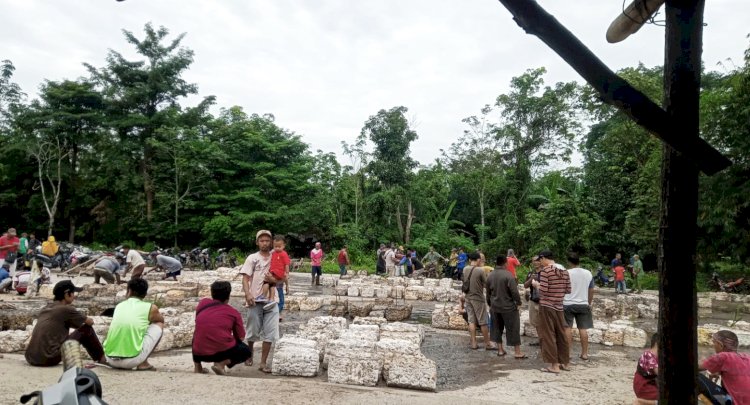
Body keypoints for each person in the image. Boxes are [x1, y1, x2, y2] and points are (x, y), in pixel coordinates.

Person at [25, 280, 106, 367]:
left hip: (30, 357)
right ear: (67, 294)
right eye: (73, 293)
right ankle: (101, 359)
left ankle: (100, 359)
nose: (74, 296)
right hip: (48, 358)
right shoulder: (66, 309)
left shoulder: (46, 308)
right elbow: (90, 322)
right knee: (87, 330)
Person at [240, 230, 280, 373]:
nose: (265, 243)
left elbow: (282, 277)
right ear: (257, 242)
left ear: (271, 242)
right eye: (262, 241)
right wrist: (247, 294)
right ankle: (249, 354)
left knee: (270, 332)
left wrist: (273, 280)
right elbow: (245, 278)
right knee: (252, 330)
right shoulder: (252, 258)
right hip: (254, 299)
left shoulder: (276, 257)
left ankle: (263, 362)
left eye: (267, 241)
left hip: (272, 300)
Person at [192, 281, 252, 375]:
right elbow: (240, 337)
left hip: (199, 353)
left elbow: (198, 322)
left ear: (212, 293)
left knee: (197, 334)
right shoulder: (233, 312)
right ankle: (220, 364)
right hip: (220, 354)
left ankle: (197, 367)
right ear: (228, 295)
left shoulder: (203, 303)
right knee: (246, 351)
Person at [103, 278, 164, 370]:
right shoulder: (150, 307)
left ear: (129, 291)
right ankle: (143, 363)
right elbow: (160, 320)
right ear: (145, 294)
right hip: (132, 361)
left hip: (110, 358)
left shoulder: (119, 306)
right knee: (159, 324)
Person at [535, 249, 571, 374]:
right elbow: (568, 290)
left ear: (544, 258)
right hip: (559, 307)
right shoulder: (565, 271)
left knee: (549, 335)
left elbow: (543, 290)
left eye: (540, 260)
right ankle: (565, 363)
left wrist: (536, 285)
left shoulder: (546, 271)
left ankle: (554, 366)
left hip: (547, 306)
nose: (540, 263)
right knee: (561, 334)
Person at [486, 255, 525, 359]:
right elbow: (514, 292)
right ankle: (517, 352)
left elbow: (488, 293)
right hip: (508, 307)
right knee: (513, 328)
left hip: (495, 306)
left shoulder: (490, 275)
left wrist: (490, 304)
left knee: (497, 328)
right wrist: (518, 302)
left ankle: (500, 350)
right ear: (505, 263)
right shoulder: (508, 275)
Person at [699, 330, 750, 404]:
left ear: (720, 345)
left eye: (714, 342)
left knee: (697, 377)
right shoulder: (747, 357)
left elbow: (696, 367)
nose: (713, 346)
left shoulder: (723, 356)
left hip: (734, 403)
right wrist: (719, 372)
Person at [562, 252, 594, 362]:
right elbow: (591, 290)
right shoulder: (588, 273)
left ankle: (568, 353)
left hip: (567, 304)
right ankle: (584, 353)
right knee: (583, 329)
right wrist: (589, 302)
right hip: (583, 304)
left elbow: (562, 288)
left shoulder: (566, 273)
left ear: (569, 262)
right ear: (579, 261)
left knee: (567, 328)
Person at [462, 251, 494, 350]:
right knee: (483, 321)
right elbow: (486, 284)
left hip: (468, 297)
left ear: (469, 260)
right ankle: (487, 343)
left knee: (471, 320)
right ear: (479, 260)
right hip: (478, 298)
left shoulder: (465, 268)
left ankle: (474, 343)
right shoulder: (480, 270)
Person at [259, 235, 290, 311]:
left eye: (279, 246)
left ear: (283, 246)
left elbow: (286, 264)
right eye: (275, 246)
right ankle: (265, 297)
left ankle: (279, 307)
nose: (277, 248)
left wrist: (287, 272)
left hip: (279, 274)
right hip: (273, 272)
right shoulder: (273, 252)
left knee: (278, 289)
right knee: (268, 284)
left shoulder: (283, 254)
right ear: (273, 245)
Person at [632, 333, 659, 404]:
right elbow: (659, 372)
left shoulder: (658, 356)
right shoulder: (648, 355)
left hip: (650, 384)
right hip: (644, 386)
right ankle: (639, 402)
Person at [524, 255, 543, 346]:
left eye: (537, 260)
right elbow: (525, 285)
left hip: (543, 301)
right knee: (536, 322)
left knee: (545, 322)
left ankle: (546, 340)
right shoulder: (530, 273)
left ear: (541, 261)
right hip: (533, 300)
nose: (535, 262)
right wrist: (531, 278)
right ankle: (540, 340)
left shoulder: (545, 272)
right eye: (534, 261)